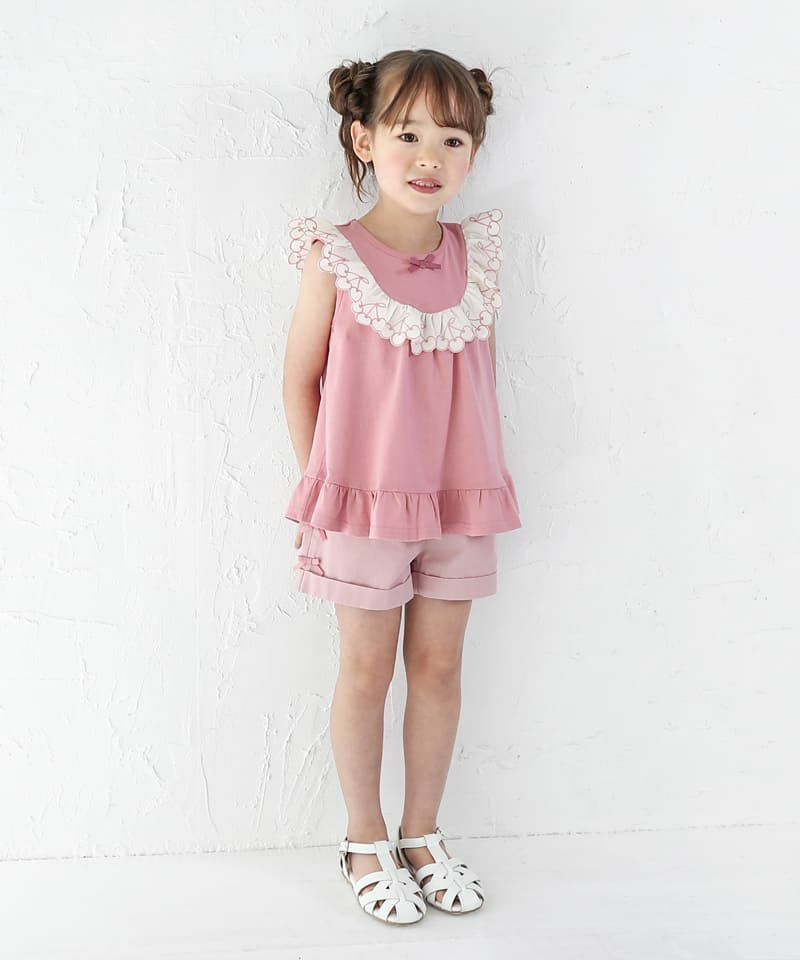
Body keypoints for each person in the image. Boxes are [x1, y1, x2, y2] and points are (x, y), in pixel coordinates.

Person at [282, 48, 522, 925]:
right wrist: (321, 495)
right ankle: (364, 838)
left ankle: (423, 833)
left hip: (460, 498)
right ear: (364, 139)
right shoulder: (335, 257)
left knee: (440, 667)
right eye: (408, 134)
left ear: (473, 153)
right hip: (363, 502)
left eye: (452, 139)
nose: (430, 157)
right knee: (365, 669)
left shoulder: (475, 257)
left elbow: (479, 378)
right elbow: (299, 381)